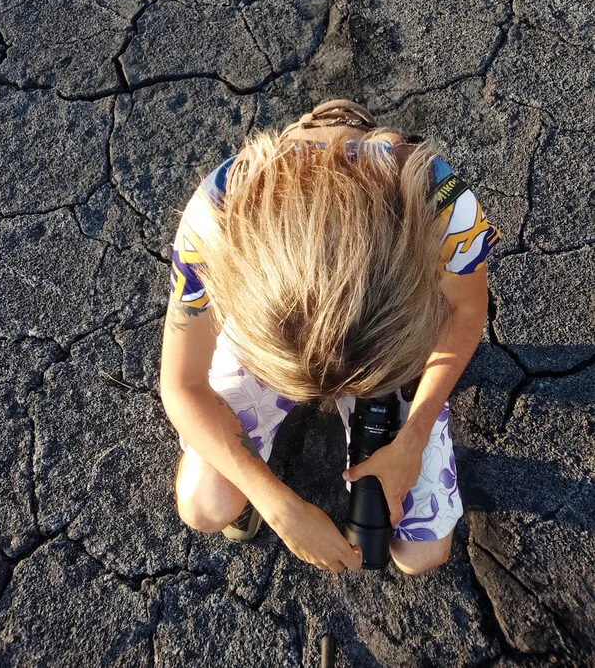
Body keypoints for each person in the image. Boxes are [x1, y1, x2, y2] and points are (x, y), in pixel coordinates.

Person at [159, 99, 500, 575]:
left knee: (419, 554)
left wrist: (412, 439)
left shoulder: (441, 204)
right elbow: (180, 385)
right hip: (276, 326)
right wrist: (274, 502)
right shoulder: (215, 216)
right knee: (206, 504)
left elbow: (465, 310)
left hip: (378, 327)